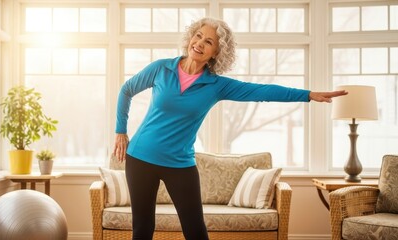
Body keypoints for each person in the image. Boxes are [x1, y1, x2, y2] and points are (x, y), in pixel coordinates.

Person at [113, 17, 347, 240]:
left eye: (209, 42)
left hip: (179, 164)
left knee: (195, 230)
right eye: (198, 36)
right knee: (142, 229)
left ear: (216, 52)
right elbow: (126, 90)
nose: (200, 44)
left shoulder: (216, 85)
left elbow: (261, 91)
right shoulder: (161, 68)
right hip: (141, 157)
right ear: (190, 38)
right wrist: (120, 131)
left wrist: (308, 95)